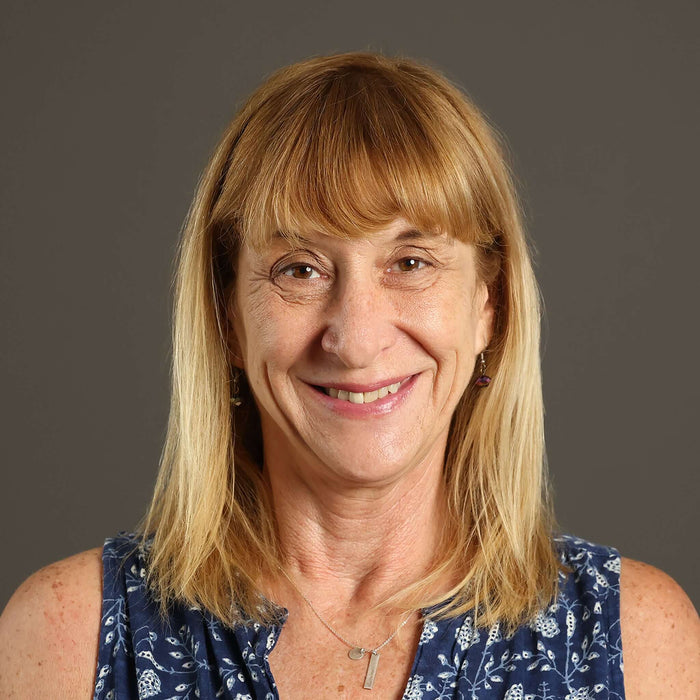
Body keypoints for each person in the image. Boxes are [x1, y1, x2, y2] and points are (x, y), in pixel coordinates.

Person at [0, 52, 698, 700]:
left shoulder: (639, 644)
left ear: (489, 306)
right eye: (300, 269)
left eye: (411, 262)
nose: (357, 340)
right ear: (227, 318)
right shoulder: (68, 640)